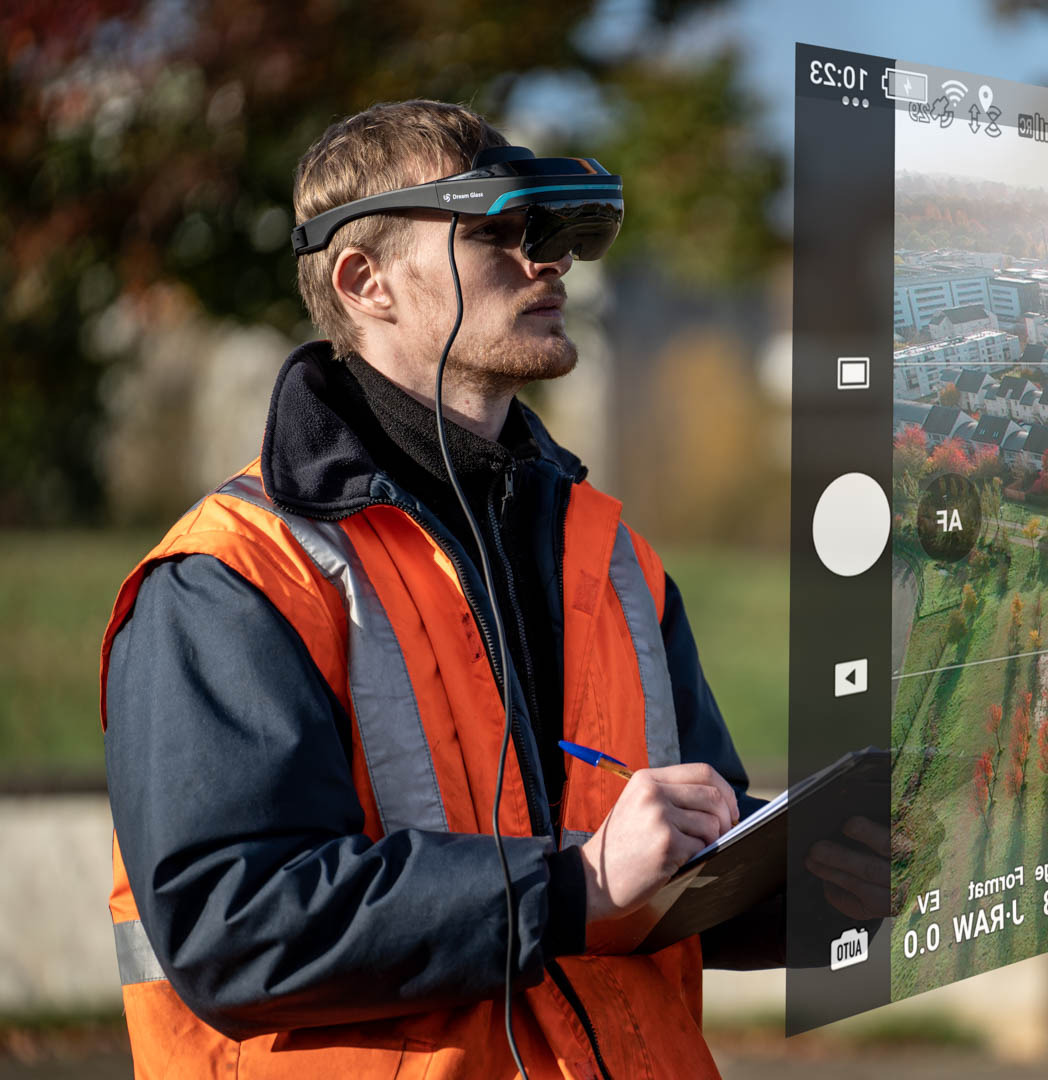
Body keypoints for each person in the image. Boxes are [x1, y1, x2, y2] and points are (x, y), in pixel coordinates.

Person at [99, 99, 829, 1080]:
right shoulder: (233, 577)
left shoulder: (612, 558)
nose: (550, 262)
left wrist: (823, 878)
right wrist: (574, 883)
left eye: (555, 230)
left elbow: (672, 877)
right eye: (500, 230)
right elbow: (233, 919)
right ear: (367, 282)